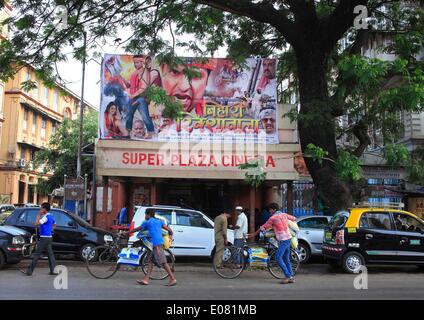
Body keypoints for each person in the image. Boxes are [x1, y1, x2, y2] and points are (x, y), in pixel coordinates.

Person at [248, 203, 297, 284]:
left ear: (274, 209)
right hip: (288, 238)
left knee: (278, 257)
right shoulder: (284, 215)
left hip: (283, 240)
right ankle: (291, 276)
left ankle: (288, 276)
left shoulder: (273, 218)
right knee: (286, 259)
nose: (269, 211)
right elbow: (294, 218)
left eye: (270, 209)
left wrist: (254, 234)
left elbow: (263, 227)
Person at [127, 209, 177, 286]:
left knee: (163, 262)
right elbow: (169, 230)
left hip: (156, 245)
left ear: (149, 214)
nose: (145, 216)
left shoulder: (147, 222)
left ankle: (173, 279)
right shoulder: (159, 221)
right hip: (155, 244)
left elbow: (137, 229)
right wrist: (169, 235)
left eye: (145, 214)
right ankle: (146, 280)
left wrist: (127, 232)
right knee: (150, 261)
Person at [125, 55, 159, 137]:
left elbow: (144, 87)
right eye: (134, 62)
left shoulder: (145, 72)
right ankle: (127, 134)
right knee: (129, 115)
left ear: (142, 62)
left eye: (137, 62)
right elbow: (131, 86)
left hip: (140, 98)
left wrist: (133, 95)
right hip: (132, 97)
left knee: (145, 117)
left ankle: (151, 134)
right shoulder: (134, 73)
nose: (135, 64)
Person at [21, 202, 57, 276]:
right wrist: (51, 230)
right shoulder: (51, 216)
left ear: (44, 209)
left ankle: (29, 271)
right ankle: (53, 270)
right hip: (49, 238)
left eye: (41, 208)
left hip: (44, 238)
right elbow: (54, 224)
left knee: (36, 254)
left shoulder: (45, 217)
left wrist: (38, 215)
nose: (40, 209)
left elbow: (36, 223)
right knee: (50, 255)